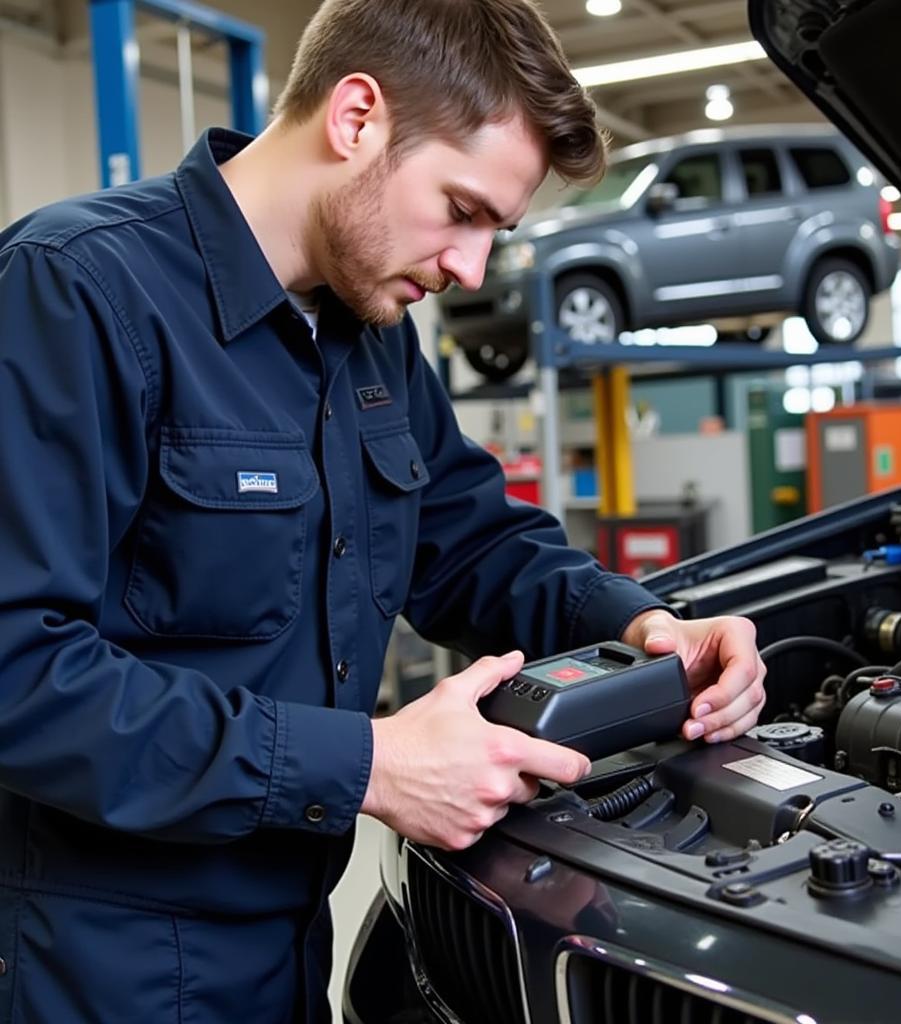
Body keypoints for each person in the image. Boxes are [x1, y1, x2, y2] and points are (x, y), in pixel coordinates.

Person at [0, 0, 766, 1020]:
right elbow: (18, 671)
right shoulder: (76, 291)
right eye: (462, 209)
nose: (469, 270)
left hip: (286, 942)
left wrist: (639, 624)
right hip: (95, 965)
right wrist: (365, 763)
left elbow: (473, 540)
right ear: (356, 116)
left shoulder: (366, 335)